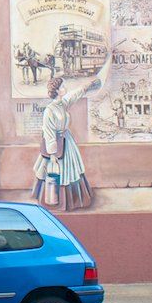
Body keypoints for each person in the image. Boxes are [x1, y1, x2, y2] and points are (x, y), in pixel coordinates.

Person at [33, 75, 100, 211]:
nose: (65, 88)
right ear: (57, 90)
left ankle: (73, 200)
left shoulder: (62, 103)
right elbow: (49, 132)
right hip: (56, 146)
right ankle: (57, 201)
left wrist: (86, 86)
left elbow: (74, 95)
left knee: (72, 170)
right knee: (55, 172)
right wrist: (53, 154)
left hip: (67, 142)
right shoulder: (49, 110)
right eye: (63, 86)